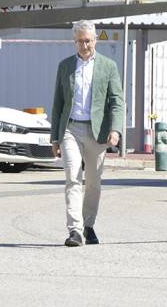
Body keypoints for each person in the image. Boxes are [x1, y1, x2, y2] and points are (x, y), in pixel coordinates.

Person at [51, 20, 125, 247]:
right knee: (73, 178)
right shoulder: (65, 66)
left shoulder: (108, 66)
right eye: (80, 41)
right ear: (74, 42)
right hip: (70, 129)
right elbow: (58, 103)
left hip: (97, 131)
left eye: (89, 41)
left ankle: (88, 225)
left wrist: (115, 129)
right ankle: (74, 230)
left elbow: (116, 102)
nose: (85, 46)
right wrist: (55, 136)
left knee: (93, 182)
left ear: (95, 40)